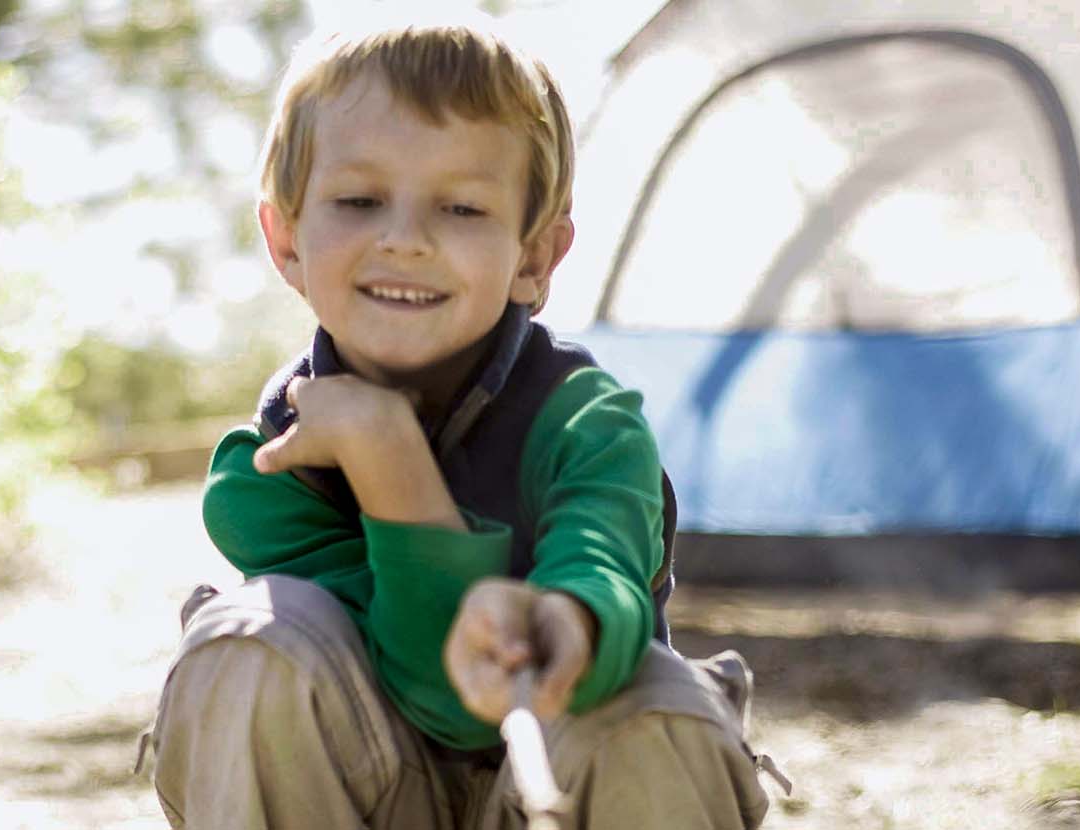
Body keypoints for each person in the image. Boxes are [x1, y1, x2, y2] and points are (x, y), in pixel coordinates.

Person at [144, 18, 774, 830]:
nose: (405, 239)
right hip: (365, 796)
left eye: (463, 207)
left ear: (533, 258)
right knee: (250, 640)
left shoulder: (590, 426)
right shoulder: (270, 468)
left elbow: (600, 563)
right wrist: (389, 465)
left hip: (556, 789)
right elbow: (447, 703)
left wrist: (570, 622)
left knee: (652, 700)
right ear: (287, 239)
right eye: (360, 200)